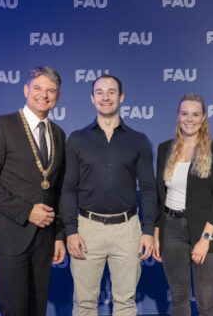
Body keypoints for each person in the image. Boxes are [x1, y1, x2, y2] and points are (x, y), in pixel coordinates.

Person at [0, 66, 66, 315]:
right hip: (9, 235)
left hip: (44, 238)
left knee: (38, 310)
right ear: (26, 90)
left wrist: (59, 235)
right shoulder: (1, 125)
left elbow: (56, 190)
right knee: (15, 310)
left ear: (57, 96)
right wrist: (27, 211)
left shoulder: (58, 134)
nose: (43, 95)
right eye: (37, 88)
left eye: (51, 90)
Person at [61, 74, 157, 316]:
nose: (106, 97)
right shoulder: (77, 139)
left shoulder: (139, 140)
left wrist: (147, 231)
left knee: (125, 303)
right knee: (84, 303)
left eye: (112, 92)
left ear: (121, 97)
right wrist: (70, 231)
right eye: (100, 92)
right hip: (87, 229)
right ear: (93, 98)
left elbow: (148, 188)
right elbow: (68, 188)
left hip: (128, 230)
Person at [152, 93, 213, 316]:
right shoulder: (164, 148)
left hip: (204, 230)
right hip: (171, 229)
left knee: (205, 300)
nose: (189, 119)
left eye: (195, 114)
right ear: (177, 116)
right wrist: (157, 232)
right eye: (184, 114)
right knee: (178, 297)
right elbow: (160, 196)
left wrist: (205, 239)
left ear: (203, 118)